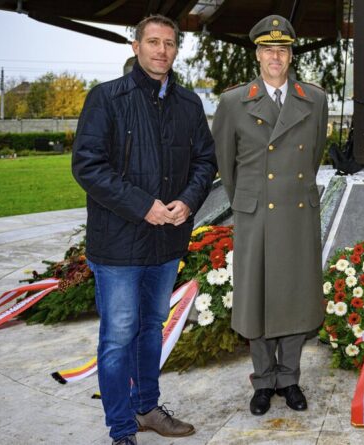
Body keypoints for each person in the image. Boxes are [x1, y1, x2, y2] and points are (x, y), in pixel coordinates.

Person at [72, 14, 217, 445]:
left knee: (152, 326)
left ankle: (147, 407)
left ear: (176, 50)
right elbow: (88, 166)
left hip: (166, 240)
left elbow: (205, 162)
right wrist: (144, 206)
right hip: (117, 243)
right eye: (152, 42)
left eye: (169, 43)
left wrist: (188, 201)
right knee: (118, 336)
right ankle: (121, 428)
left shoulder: (189, 104)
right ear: (135, 46)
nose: (161, 50)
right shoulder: (106, 98)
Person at [213, 15, 329, 416]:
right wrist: (252, 200)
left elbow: (313, 157)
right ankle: (263, 381)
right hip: (256, 214)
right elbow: (227, 168)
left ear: (290, 53)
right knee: (257, 299)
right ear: (258, 55)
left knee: (294, 298)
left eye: (282, 49)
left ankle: (290, 379)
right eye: (268, 49)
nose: (275, 56)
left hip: (296, 212)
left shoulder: (314, 99)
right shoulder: (233, 102)